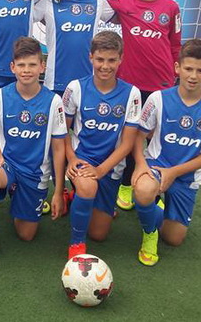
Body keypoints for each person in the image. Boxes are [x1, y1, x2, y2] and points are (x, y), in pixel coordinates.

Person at [0, 37, 67, 271]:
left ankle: (19, 195)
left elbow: (58, 148)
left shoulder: (54, 102)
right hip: (7, 164)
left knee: (26, 234)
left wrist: (59, 191)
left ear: (42, 66)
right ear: (12, 67)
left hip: (35, 173)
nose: (26, 70)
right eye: (21, 65)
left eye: (32, 64)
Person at [131, 39, 201, 266]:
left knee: (174, 239)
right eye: (188, 68)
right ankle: (149, 234)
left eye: (200, 70)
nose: (193, 76)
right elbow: (138, 136)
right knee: (143, 190)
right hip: (156, 166)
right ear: (177, 68)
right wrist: (141, 165)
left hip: (185, 176)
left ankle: (156, 209)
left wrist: (173, 172)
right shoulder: (158, 98)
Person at [107, 0, 182, 210]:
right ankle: (126, 185)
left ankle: (156, 189)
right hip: (131, 86)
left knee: (158, 140)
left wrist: (175, 76)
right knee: (131, 138)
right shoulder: (124, 3)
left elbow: (175, 44)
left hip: (162, 85)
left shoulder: (171, 8)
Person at [62, 31, 142, 259]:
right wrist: (72, 158)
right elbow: (62, 131)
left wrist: (101, 170)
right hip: (82, 158)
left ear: (121, 59)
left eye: (111, 60)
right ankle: (76, 244)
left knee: (99, 234)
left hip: (110, 166)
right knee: (88, 187)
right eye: (100, 59)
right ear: (91, 57)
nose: (105, 66)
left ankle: (76, 198)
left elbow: (128, 143)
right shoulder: (75, 88)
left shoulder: (132, 94)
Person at [35, 0, 116, 97]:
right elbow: (25, 13)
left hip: (88, 83)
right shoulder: (49, 0)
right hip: (55, 82)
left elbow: (121, 17)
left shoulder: (98, 0)